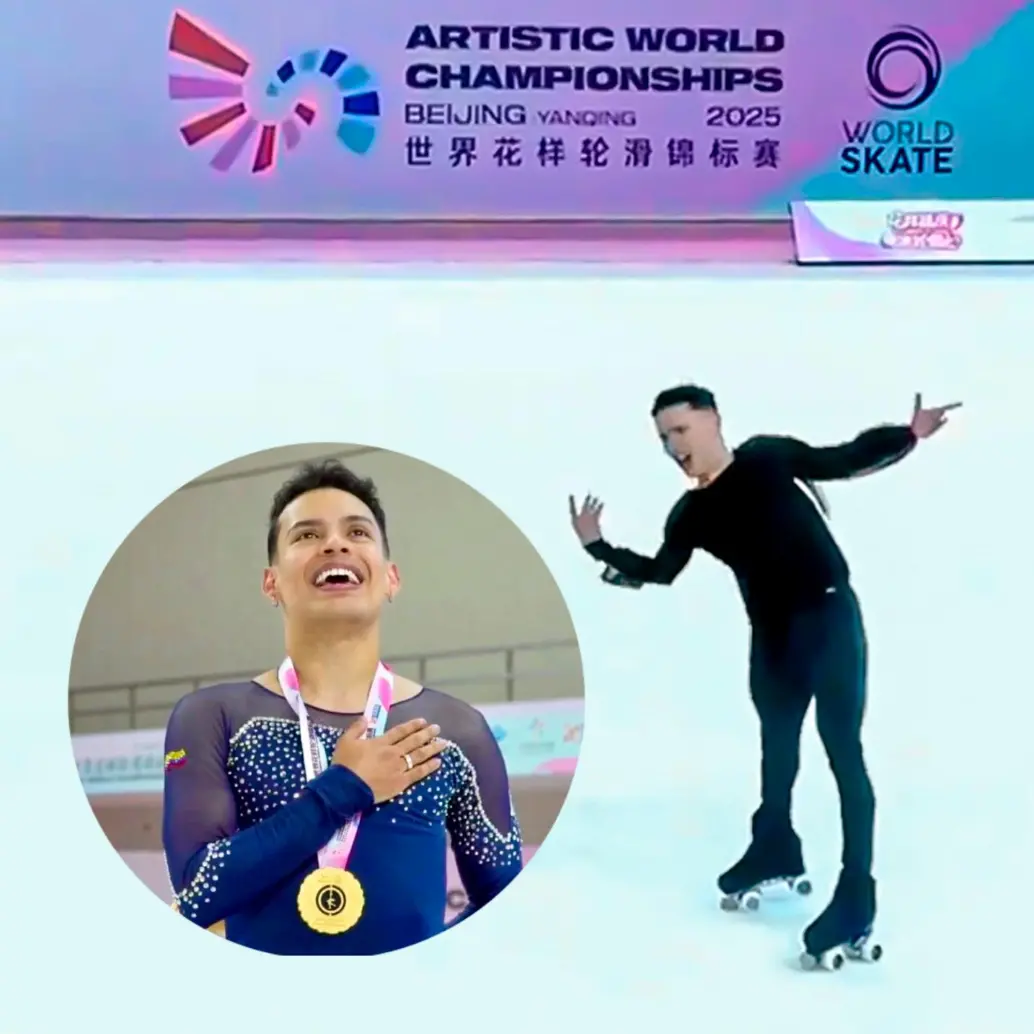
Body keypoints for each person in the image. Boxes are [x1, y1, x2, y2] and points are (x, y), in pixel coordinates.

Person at [569, 385, 960, 962]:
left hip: (827, 617)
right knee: (777, 749)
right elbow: (659, 570)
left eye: (680, 430)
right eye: (663, 438)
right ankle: (775, 845)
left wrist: (909, 434)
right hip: (773, 637)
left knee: (842, 751)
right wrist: (597, 547)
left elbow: (844, 458)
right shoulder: (692, 514)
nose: (673, 445)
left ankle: (856, 895)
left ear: (712, 421)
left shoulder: (767, 457)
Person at [163, 459, 523, 955]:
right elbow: (195, 891)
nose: (336, 544)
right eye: (306, 535)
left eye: (357, 531)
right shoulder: (213, 716)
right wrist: (344, 789)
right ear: (272, 584)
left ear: (391, 578)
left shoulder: (455, 731)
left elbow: (508, 901)